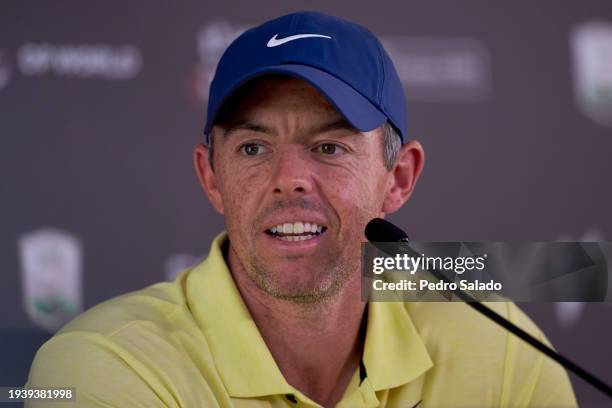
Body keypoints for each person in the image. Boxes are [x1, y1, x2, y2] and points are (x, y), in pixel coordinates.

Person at [26, 11, 576, 408]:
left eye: (329, 147)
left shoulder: (498, 343)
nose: (288, 179)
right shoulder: (102, 368)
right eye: (253, 148)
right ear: (211, 177)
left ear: (399, 178)